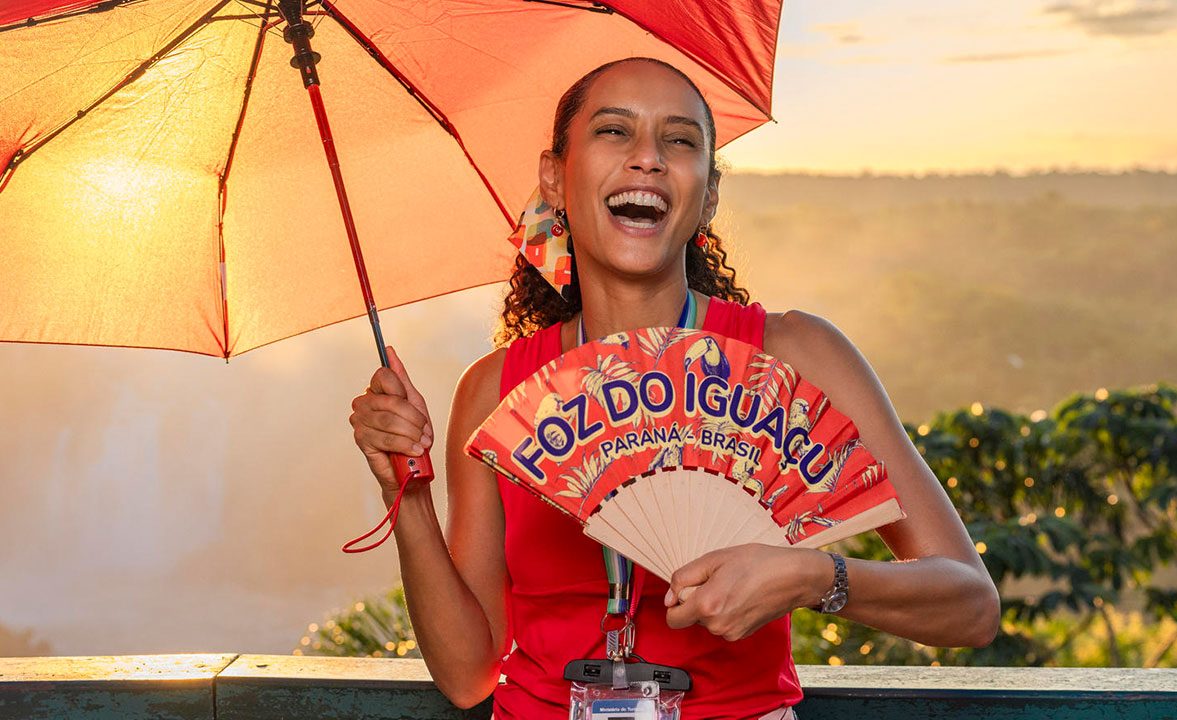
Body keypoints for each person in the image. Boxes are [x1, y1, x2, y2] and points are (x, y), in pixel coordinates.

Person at [349, 57, 1000, 719]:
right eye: (614, 132)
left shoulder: (797, 356)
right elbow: (467, 675)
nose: (649, 159)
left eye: (680, 140)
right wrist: (406, 492)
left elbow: (970, 607)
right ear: (555, 177)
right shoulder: (496, 392)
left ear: (709, 193)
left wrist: (813, 577)